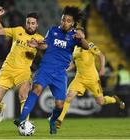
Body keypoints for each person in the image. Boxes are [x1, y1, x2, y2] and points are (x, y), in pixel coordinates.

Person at [14, 6, 89, 134]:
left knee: (60, 105)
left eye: (68, 20)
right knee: (36, 89)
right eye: (63, 19)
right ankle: (21, 119)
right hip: (46, 68)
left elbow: (86, 47)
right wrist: (37, 45)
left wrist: (82, 38)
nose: (64, 22)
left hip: (60, 74)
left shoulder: (74, 36)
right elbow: (46, 44)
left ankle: (53, 120)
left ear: (73, 23)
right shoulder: (53, 31)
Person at [56, 28, 125, 129]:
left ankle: (114, 99)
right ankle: (59, 120)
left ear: (83, 35)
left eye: (79, 33)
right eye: (76, 34)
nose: (77, 35)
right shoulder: (74, 48)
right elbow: (74, 64)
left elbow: (101, 56)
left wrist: (102, 69)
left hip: (92, 79)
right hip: (79, 78)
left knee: (100, 101)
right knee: (69, 96)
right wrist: (65, 70)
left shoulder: (90, 45)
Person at [0, 6, 44, 123]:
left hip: (23, 72)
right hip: (7, 70)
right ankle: (1, 107)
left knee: (23, 95)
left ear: (37, 25)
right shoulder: (17, 30)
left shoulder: (39, 38)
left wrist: (38, 46)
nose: (30, 25)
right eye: (28, 23)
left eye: (33, 23)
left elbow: (46, 47)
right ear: (26, 23)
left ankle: (25, 123)